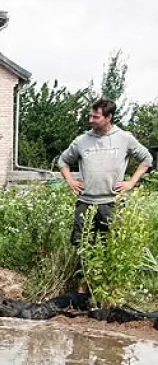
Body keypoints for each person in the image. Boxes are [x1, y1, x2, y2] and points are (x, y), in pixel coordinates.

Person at [58, 98, 153, 288]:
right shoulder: (82, 140)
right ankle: (82, 290)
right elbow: (63, 161)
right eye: (90, 115)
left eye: (96, 116)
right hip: (85, 202)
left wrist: (131, 182)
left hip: (112, 203)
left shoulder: (124, 138)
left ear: (108, 117)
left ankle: (109, 289)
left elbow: (147, 158)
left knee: (112, 246)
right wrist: (70, 180)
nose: (91, 120)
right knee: (83, 247)